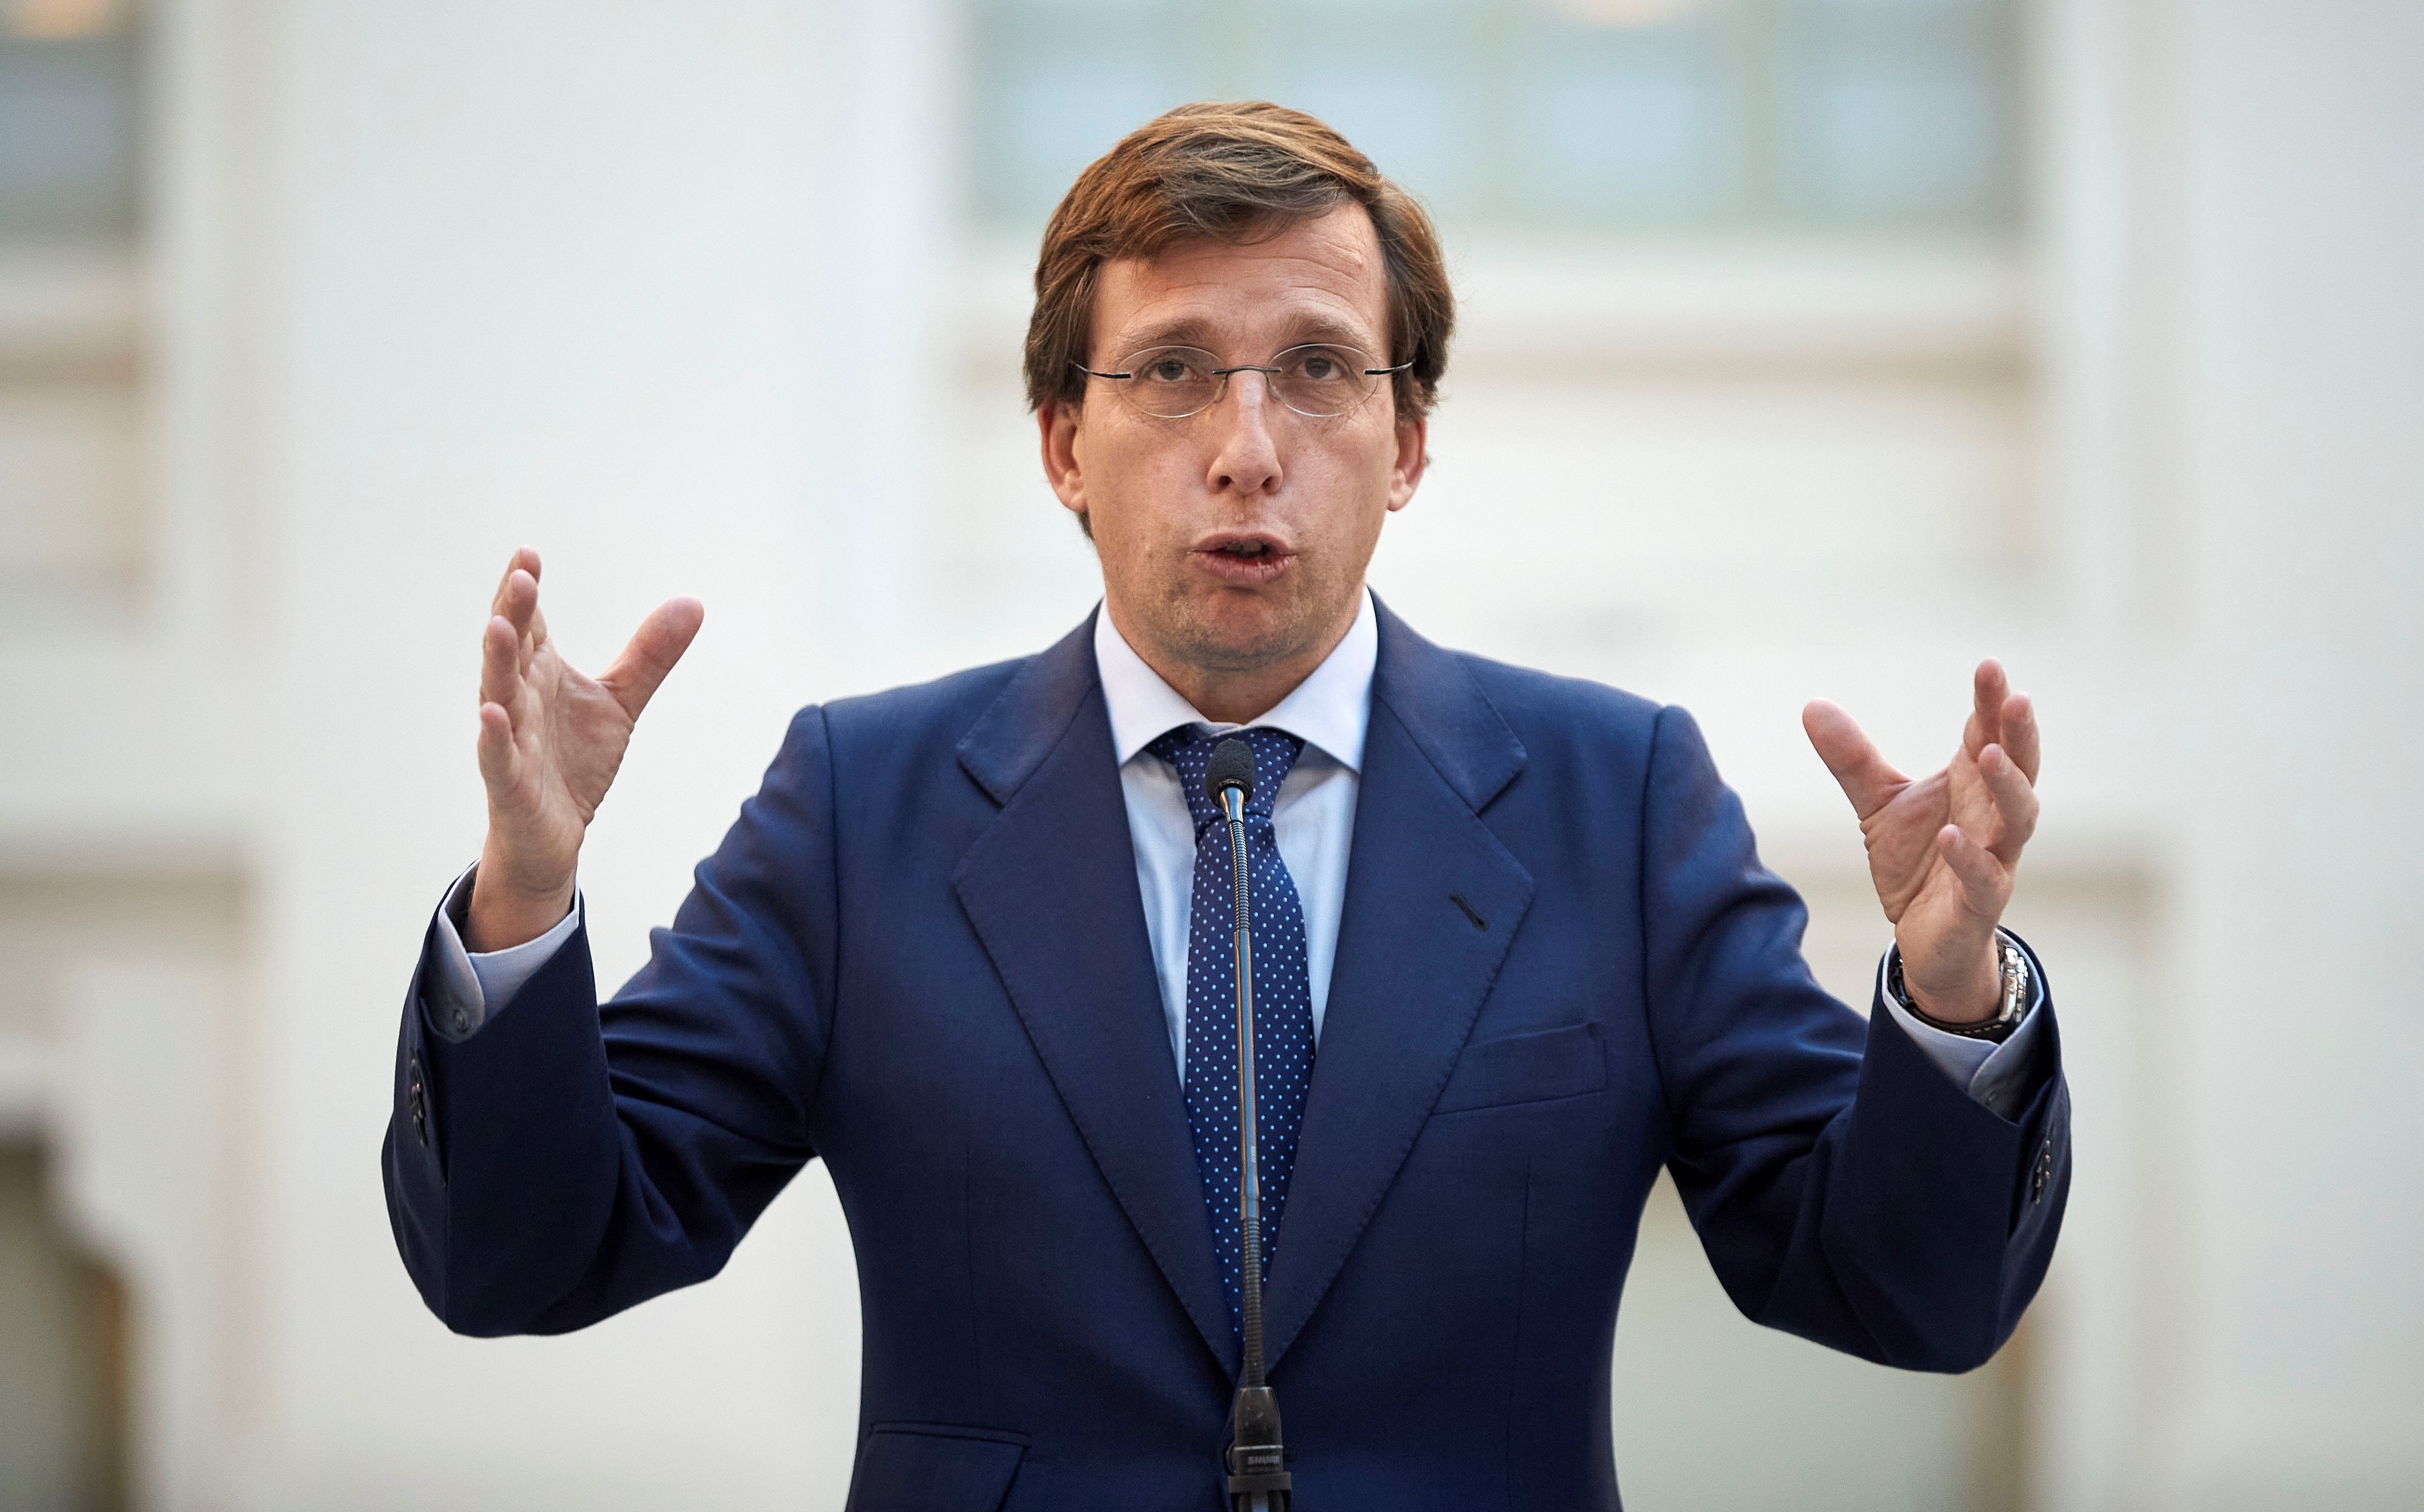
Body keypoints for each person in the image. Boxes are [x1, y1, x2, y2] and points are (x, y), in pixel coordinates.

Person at [384, 102, 2067, 1510]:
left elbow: (1903, 1290)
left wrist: (1948, 997)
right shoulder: (863, 806)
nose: (1246, 446)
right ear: (1060, 442)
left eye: (1318, 370)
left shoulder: (1612, 801)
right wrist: (524, 903)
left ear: (1407, 440)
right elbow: (525, 1260)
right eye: (1172, 373)